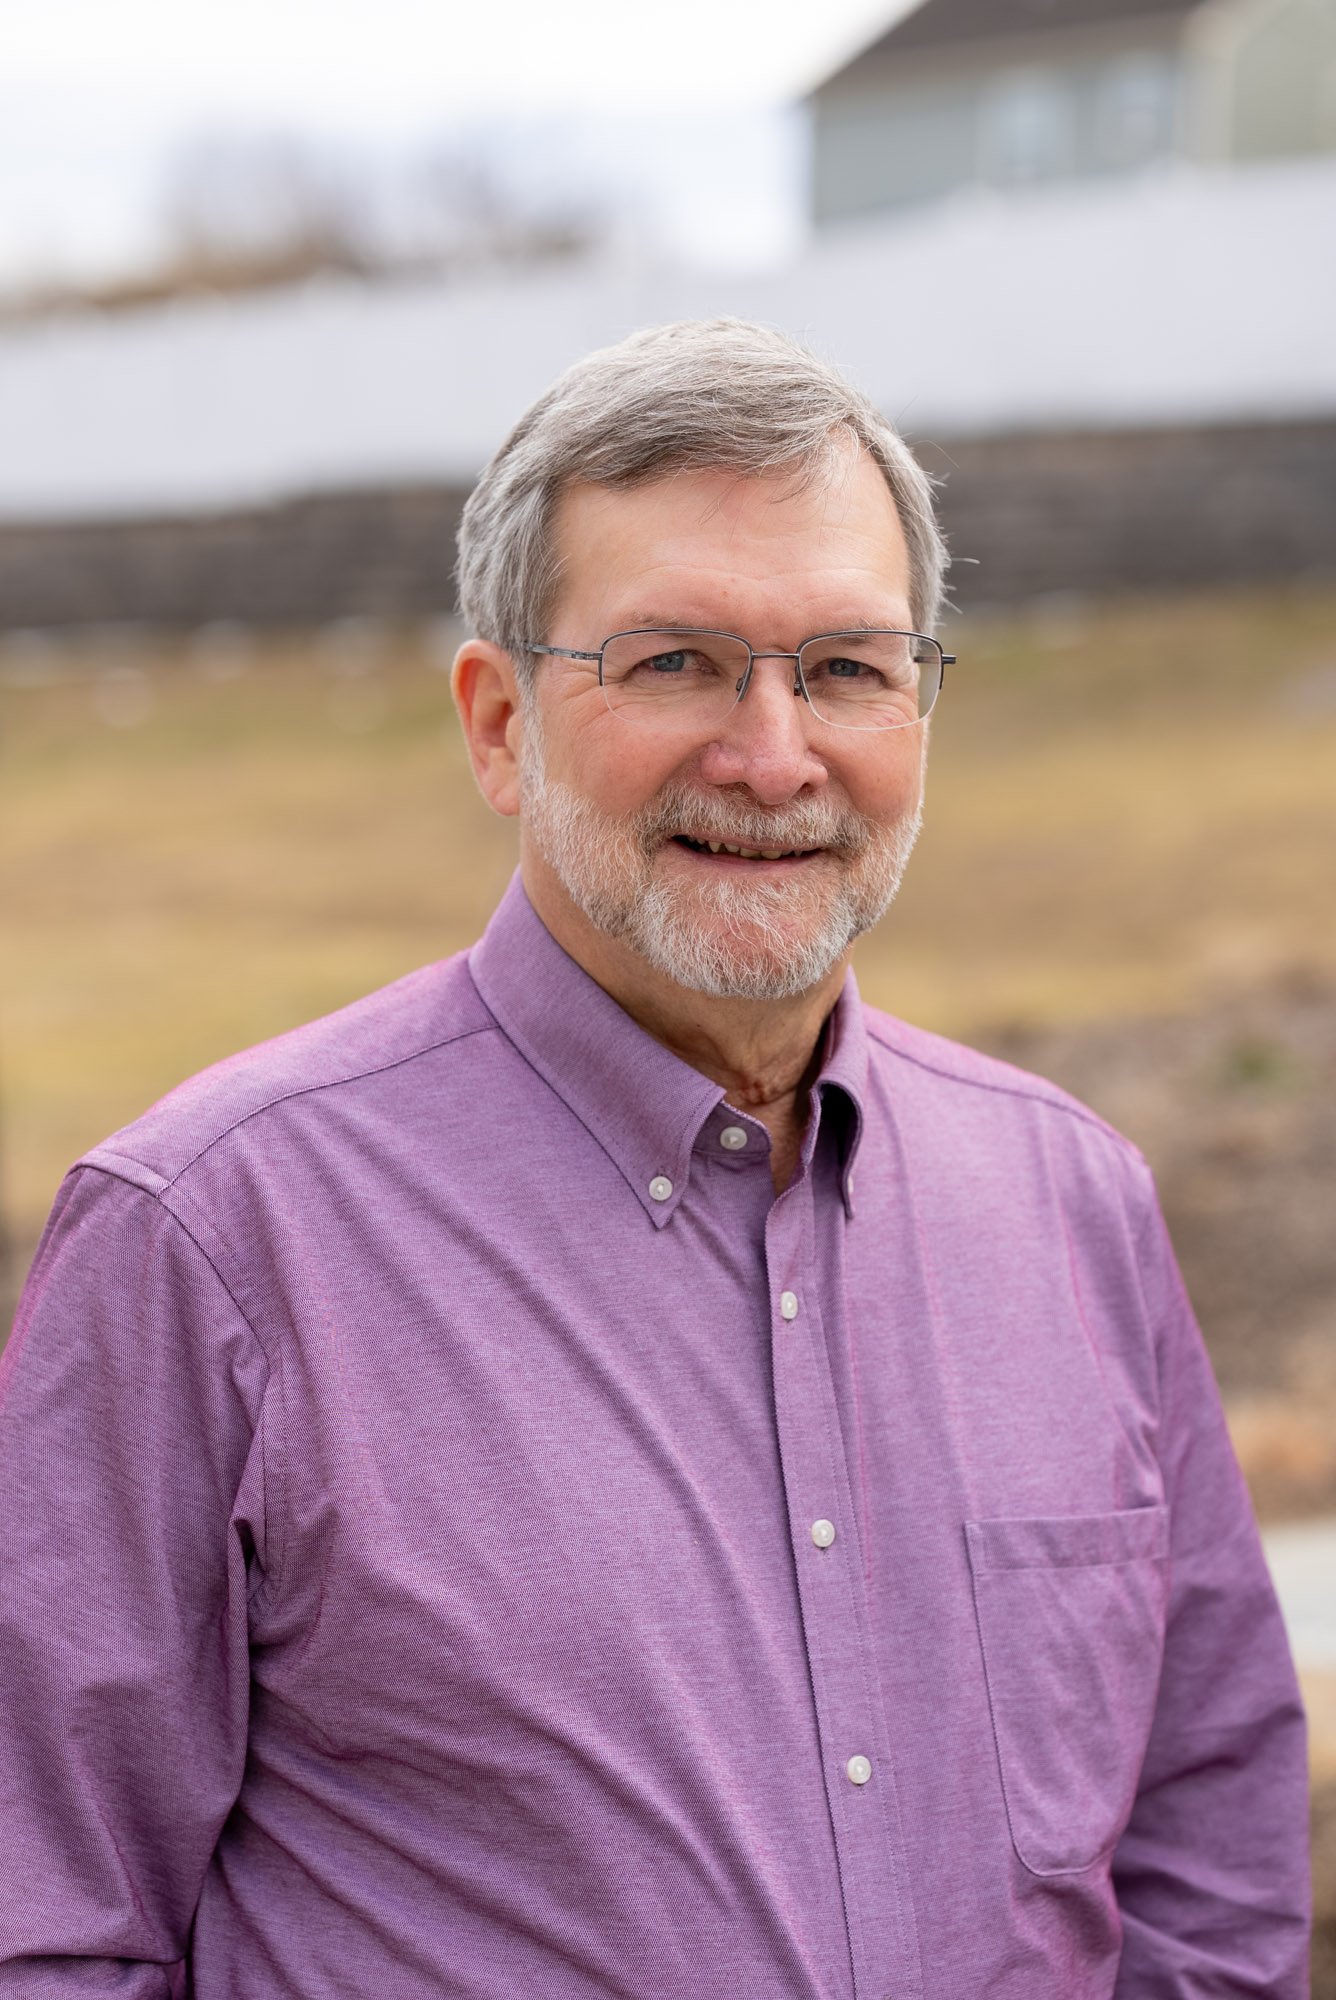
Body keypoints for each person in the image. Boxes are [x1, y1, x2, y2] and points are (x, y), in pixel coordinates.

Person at [0, 318, 1309, 1997]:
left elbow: (1208, 1846)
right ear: (496, 724)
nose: (772, 756)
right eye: (673, 661)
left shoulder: (1075, 1206)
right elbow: (45, 1922)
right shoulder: (214, 1242)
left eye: (846, 666)